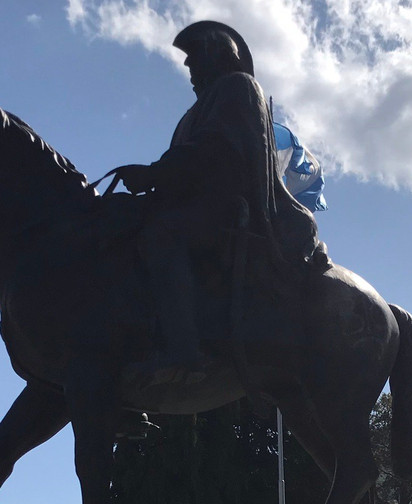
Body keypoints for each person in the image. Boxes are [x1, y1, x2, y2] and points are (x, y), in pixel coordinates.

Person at [112, 20, 325, 385]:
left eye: (196, 65)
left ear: (217, 59)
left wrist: (153, 174)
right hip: (198, 208)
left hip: (231, 212)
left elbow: (213, 153)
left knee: (162, 237)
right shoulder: (194, 112)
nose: (191, 75)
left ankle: (184, 352)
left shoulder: (237, 87)